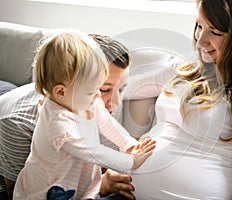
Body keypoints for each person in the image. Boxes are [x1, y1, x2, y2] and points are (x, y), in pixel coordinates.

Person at [130, 0, 232, 199]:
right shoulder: (183, 72)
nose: (201, 40)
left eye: (215, 32)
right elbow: (111, 88)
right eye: (199, 26)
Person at [10, 31, 155, 199]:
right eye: (95, 90)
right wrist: (131, 160)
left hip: (80, 186)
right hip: (45, 193)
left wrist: (129, 145)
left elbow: (107, 123)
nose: (98, 97)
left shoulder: (81, 98)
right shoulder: (58, 126)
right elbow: (94, 152)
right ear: (60, 92)